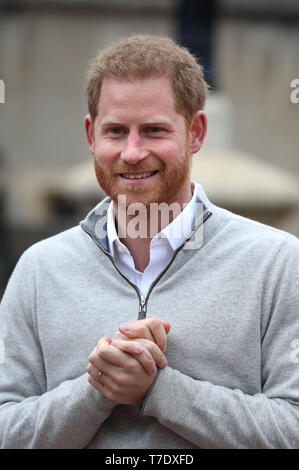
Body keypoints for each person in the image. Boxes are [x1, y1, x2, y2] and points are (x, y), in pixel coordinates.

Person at [1, 34, 299, 450]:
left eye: (154, 130)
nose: (133, 151)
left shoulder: (279, 263)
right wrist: (97, 391)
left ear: (195, 132)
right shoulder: (39, 269)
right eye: (116, 131)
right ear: (91, 136)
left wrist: (160, 390)